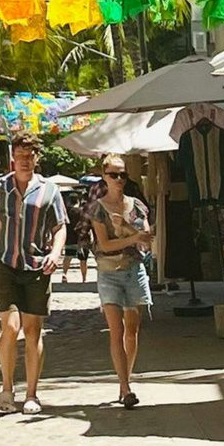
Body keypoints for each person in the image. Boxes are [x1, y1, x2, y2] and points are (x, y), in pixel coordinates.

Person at [0, 133, 67, 415]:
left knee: (33, 331)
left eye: (30, 156)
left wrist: (55, 253)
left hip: (37, 266)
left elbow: (60, 226)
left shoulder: (49, 190)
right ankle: (7, 387)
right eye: (20, 156)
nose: (25, 161)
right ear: (13, 157)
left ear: (37, 158)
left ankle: (32, 394)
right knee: (10, 327)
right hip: (6, 265)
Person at [92, 154, 155, 408]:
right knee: (116, 331)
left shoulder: (137, 205)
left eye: (122, 175)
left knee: (132, 331)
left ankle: (123, 382)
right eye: (113, 174)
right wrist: (132, 238)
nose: (119, 179)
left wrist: (128, 227)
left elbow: (147, 238)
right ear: (104, 176)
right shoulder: (98, 209)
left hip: (134, 270)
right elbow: (105, 245)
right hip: (109, 272)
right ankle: (126, 387)